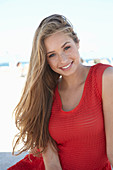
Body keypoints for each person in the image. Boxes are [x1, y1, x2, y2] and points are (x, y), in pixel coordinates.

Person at [8, 14, 113, 170]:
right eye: (52, 55)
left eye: (66, 47)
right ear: (46, 60)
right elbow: (52, 163)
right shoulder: (46, 93)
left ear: (77, 43)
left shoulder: (105, 78)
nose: (63, 60)